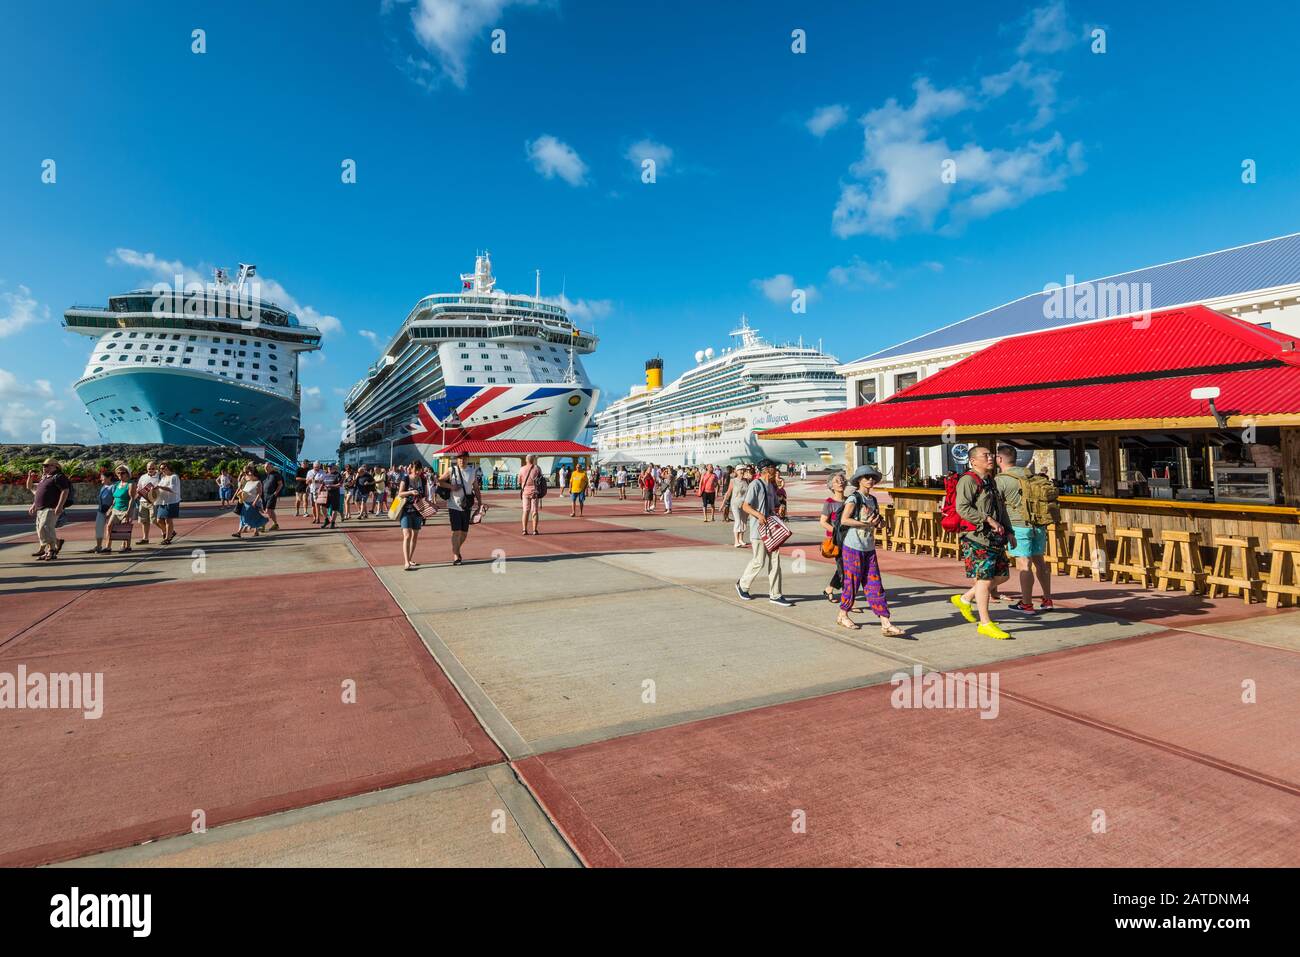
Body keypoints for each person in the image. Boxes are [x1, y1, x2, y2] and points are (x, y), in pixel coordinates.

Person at [951, 446, 1015, 640]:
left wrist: (1009, 530)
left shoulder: (990, 481)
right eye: (985, 455)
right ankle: (985, 623)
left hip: (995, 537)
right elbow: (962, 508)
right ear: (973, 461)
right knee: (984, 580)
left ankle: (965, 599)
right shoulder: (968, 480)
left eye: (991, 455)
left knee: (1002, 576)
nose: (990, 458)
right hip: (976, 537)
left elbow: (1001, 508)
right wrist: (987, 519)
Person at [836, 466, 905, 635]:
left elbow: (876, 521)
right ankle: (843, 614)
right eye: (866, 477)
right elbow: (845, 520)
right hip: (852, 547)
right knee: (852, 582)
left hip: (868, 547)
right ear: (859, 480)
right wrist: (865, 524)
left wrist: (879, 523)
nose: (870, 480)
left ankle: (885, 622)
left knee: (875, 584)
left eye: (872, 477)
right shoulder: (854, 498)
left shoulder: (872, 500)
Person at [994, 444, 1055, 613]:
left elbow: (995, 504)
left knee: (1024, 564)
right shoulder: (1029, 474)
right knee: (1040, 562)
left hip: (1018, 526)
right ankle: (1047, 599)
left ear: (1000, 459)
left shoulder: (1001, 479)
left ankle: (1026, 603)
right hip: (1038, 523)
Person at [735, 463, 793, 606]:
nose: (776, 471)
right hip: (758, 530)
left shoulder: (771, 487)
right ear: (767, 470)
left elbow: (772, 506)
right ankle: (742, 585)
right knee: (759, 561)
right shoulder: (755, 484)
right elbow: (745, 506)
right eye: (774, 469)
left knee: (775, 561)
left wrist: (778, 510)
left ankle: (775, 594)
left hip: (771, 529)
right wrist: (758, 515)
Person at [440, 450, 480, 565]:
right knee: (456, 531)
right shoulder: (451, 470)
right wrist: (452, 486)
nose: (462, 460)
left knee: (464, 533)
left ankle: (456, 549)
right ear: (457, 460)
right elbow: (440, 481)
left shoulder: (472, 472)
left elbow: (476, 488)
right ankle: (456, 555)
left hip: (467, 505)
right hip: (454, 505)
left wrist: (480, 502)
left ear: (468, 459)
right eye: (460, 458)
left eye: (464, 458)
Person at [28, 458, 71, 561]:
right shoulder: (45, 478)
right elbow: (31, 488)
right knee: (41, 530)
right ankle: (49, 549)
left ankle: (51, 551)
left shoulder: (59, 477)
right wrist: (34, 505)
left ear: (55, 466)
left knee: (46, 528)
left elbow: (65, 491)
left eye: (47, 465)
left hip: (51, 508)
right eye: (43, 465)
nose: (44, 467)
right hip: (40, 508)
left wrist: (60, 506)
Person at [819, 471, 847, 602]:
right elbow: (823, 522)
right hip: (837, 540)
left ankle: (829, 588)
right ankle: (848, 599)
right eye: (837, 481)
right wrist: (837, 532)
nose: (840, 482)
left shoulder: (849, 501)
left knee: (846, 566)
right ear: (831, 486)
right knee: (843, 568)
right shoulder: (829, 502)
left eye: (842, 480)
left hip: (850, 539)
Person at [396, 461, 427, 571]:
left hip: (418, 510)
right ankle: (406, 562)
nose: (418, 471)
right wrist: (410, 492)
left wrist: (426, 508)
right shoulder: (406, 478)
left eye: (420, 469)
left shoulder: (423, 480)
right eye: (416, 469)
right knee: (407, 535)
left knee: (415, 535)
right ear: (412, 468)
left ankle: (409, 559)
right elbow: (400, 493)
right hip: (406, 509)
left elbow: (425, 496)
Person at [104, 465, 135, 553]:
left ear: (127, 473)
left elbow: (132, 499)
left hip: (126, 509)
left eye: (122, 473)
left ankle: (126, 546)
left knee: (124, 527)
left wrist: (128, 512)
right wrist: (110, 509)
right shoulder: (117, 484)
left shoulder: (130, 484)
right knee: (109, 526)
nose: (120, 474)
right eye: (118, 473)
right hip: (116, 509)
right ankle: (107, 547)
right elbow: (115, 497)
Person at [234, 467, 269, 537]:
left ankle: (243, 532)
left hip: (252, 503)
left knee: (250, 517)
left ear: (253, 474)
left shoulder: (258, 482)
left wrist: (255, 502)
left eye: (248, 474)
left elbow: (260, 493)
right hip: (245, 503)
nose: (246, 476)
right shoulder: (248, 482)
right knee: (243, 517)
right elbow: (243, 490)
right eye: (246, 474)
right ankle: (239, 532)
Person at [154, 462, 182, 545]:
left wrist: (159, 487)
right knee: (158, 520)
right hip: (162, 501)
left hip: (171, 501)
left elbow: (172, 489)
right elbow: (159, 488)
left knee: (168, 520)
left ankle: (167, 539)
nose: (162, 470)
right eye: (161, 468)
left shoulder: (174, 477)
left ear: (169, 467)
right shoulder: (163, 477)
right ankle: (171, 532)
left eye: (163, 468)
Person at [518, 453, 544, 535]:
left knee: (525, 511)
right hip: (535, 492)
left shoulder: (521, 469)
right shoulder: (537, 468)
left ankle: (524, 530)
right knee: (534, 511)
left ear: (526, 460)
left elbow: (519, 481)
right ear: (533, 460)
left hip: (525, 492)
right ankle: (534, 530)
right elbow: (541, 480)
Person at [135, 461, 160, 545]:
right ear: (147, 468)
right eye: (149, 468)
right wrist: (136, 494)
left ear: (155, 468)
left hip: (154, 501)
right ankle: (145, 538)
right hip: (143, 500)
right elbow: (139, 487)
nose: (151, 470)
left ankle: (167, 531)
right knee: (144, 521)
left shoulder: (159, 476)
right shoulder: (143, 477)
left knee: (155, 520)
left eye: (153, 468)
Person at [728, 465, 752, 548]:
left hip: (744, 504)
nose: (741, 471)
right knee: (738, 521)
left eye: (743, 470)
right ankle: (736, 541)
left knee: (744, 521)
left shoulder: (747, 481)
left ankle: (741, 539)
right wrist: (723, 504)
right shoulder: (733, 481)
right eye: (740, 470)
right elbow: (728, 493)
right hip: (735, 504)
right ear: (736, 471)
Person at [91, 469, 115, 554]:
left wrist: (110, 510)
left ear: (109, 478)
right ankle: (98, 546)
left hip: (109, 511)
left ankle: (108, 546)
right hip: (101, 510)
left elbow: (115, 499)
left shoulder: (113, 487)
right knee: (99, 527)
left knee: (109, 528)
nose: (101, 479)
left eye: (102, 477)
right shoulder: (103, 487)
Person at [320, 463, 342, 529]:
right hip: (326, 494)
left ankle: (332, 523)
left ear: (334, 468)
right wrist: (319, 490)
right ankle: (327, 520)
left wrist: (331, 486)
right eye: (328, 467)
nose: (329, 468)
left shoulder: (338, 475)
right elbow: (323, 484)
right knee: (323, 507)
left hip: (335, 494)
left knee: (334, 509)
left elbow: (340, 484)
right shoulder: (326, 475)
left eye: (330, 467)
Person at [262, 463, 283, 530]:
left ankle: (262, 525)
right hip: (264, 495)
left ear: (271, 467)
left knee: (267, 510)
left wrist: (275, 493)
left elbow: (280, 484)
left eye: (267, 467)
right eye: (265, 467)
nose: (266, 468)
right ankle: (276, 524)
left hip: (272, 495)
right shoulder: (266, 475)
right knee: (271, 511)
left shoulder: (276, 474)